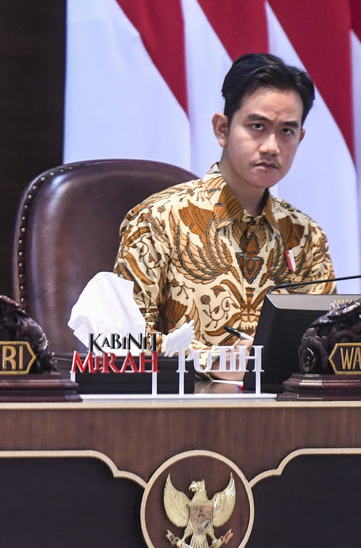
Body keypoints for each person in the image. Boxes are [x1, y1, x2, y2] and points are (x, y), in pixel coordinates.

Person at [113, 53, 334, 384]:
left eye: (286, 131)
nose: (272, 146)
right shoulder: (159, 219)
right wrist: (211, 359)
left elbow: (325, 341)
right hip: (182, 407)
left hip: (282, 408)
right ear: (222, 129)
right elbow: (119, 340)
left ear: (300, 138)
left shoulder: (306, 236)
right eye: (257, 127)